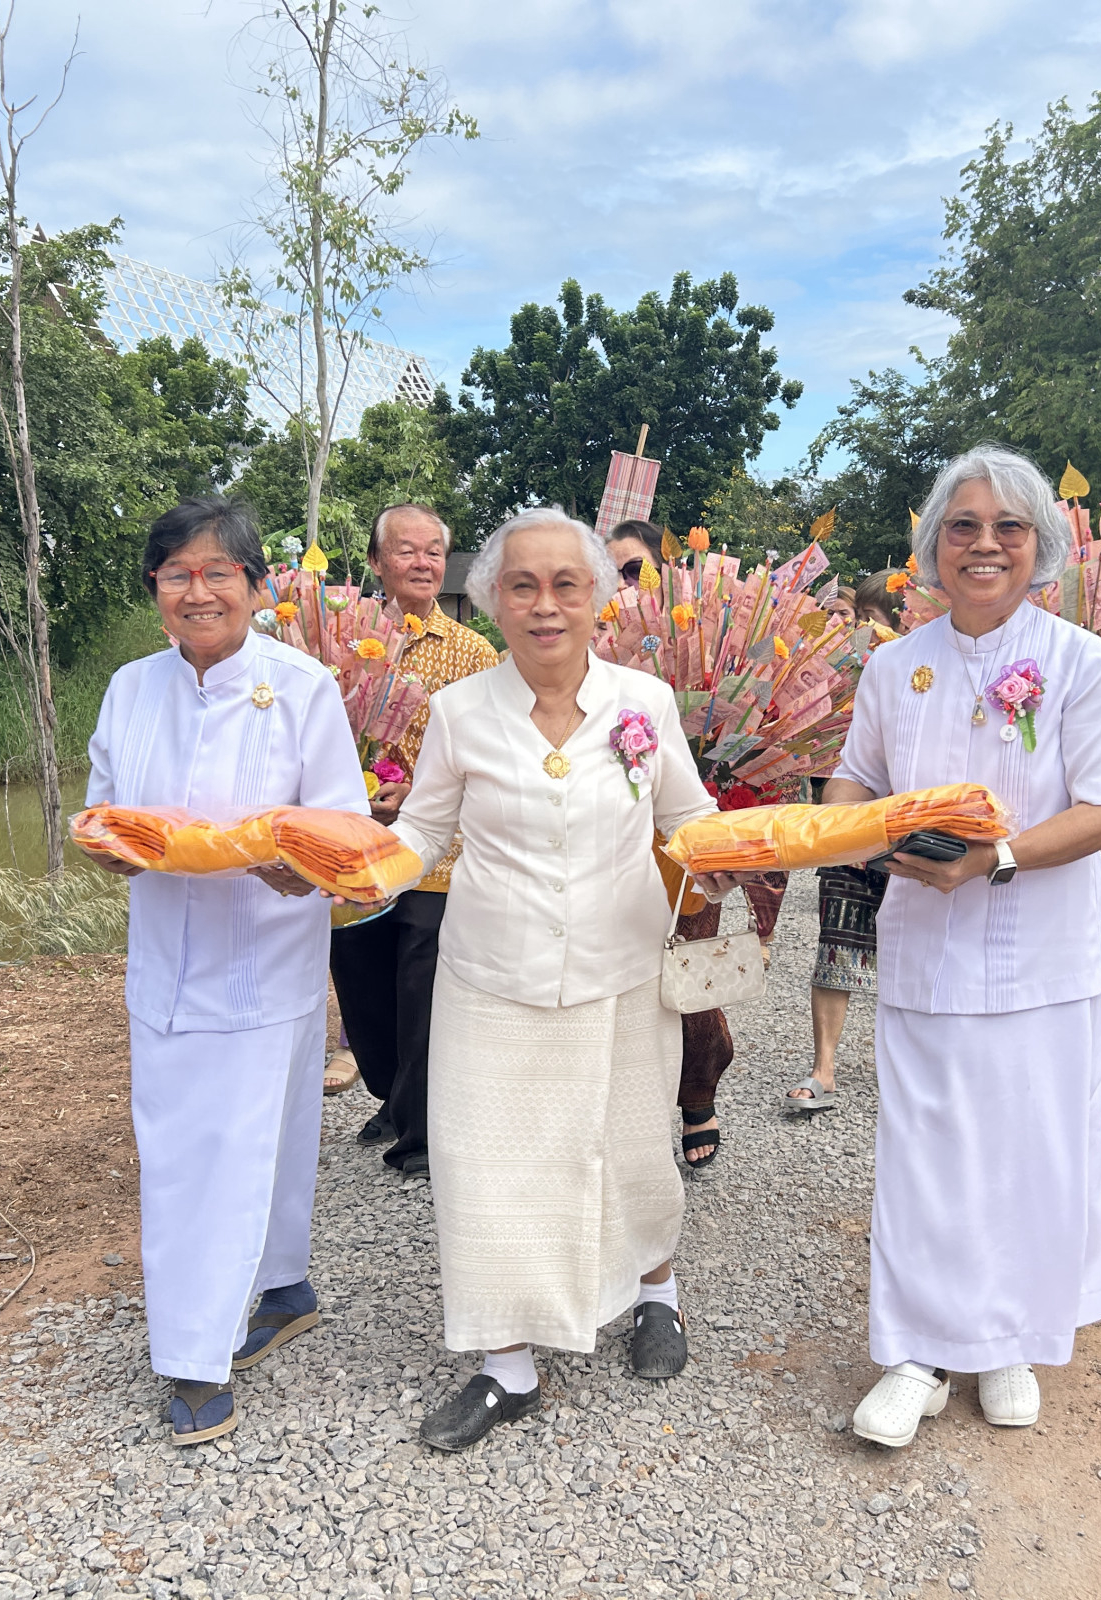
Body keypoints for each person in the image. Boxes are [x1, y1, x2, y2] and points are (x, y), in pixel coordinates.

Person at [386, 506, 744, 1452]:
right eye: (521, 585)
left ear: (600, 599)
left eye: (565, 585)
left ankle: (654, 1293)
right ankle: (508, 1366)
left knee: (626, 1146)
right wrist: (345, 872)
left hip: (619, 968)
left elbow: (688, 817)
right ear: (492, 601)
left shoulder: (644, 703)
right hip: (489, 976)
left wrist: (732, 857)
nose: (545, 605)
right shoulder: (458, 710)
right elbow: (420, 833)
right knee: (482, 1167)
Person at [827, 448, 1101, 1447]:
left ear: (1039, 544)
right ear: (932, 547)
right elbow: (853, 782)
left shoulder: (1080, 662)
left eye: (1007, 526)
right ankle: (915, 1352)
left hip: (1042, 954)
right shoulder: (893, 664)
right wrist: (839, 833)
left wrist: (992, 859)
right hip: (924, 951)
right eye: (962, 525)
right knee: (926, 1155)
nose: (985, 543)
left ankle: (1008, 1338)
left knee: (1031, 1152)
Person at [80, 499, 368, 1445]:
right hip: (164, 951)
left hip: (267, 945)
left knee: (246, 1139)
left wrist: (300, 865)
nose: (197, 591)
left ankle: (196, 1358)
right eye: (176, 574)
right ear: (156, 590)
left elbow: (340, 824)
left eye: (217, 573)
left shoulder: (302, 687)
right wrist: (109, 846)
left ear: (255, 587)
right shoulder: (130, 687)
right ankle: (280, 1287)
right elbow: (104, 808)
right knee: (189, 1146)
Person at [601, 513, 780, 1166]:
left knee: (687, 976)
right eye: (612, 572)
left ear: (662, 574)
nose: (622, 584)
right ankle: (630, 1105)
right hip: (611, 845)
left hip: (684, 841)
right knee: (620, 982)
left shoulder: (701, 646)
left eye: (634, 569)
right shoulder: (586, 652)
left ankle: (699, 1089)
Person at [327, 503, 499, 1177]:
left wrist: (425, 792)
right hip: (354, 848)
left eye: (434, 551)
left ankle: (421, 1135)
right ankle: (392, 1096)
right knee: (364, 989)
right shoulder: (338, 640)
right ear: (375, 562)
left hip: (440, 854)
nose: (422, 562)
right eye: (405, 551)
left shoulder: (474, 651)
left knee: (423, 991)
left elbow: (484, 749)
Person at [790, 569, 907, 1113]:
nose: (863, 630)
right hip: (855, 825)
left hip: (921, 833)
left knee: (918, 953)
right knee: (837, 938)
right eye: (859, 619)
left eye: (874, 620)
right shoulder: (841, 670)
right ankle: (824, 1066)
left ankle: (911, 1066)